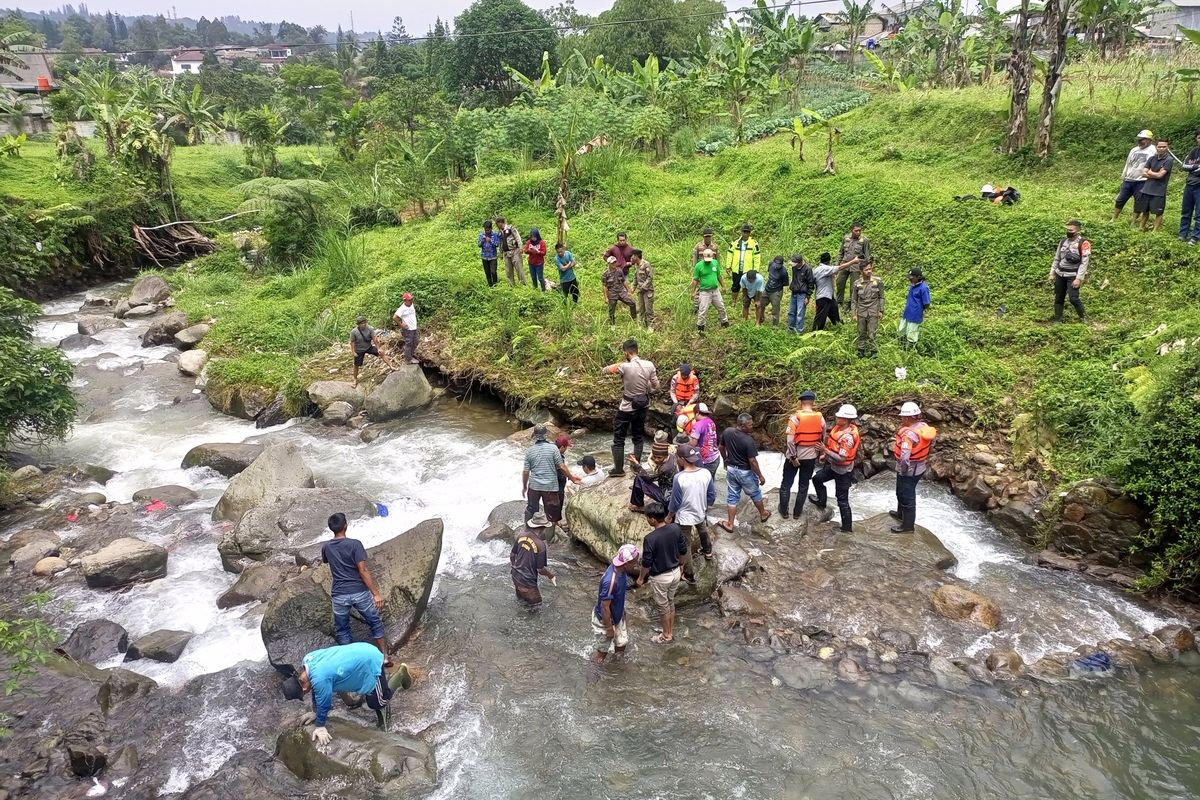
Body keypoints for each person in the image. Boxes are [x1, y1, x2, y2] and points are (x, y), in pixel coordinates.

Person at [281, 641, 401, 744]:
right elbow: (317, 691)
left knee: (378, 703)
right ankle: (377, 691)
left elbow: (324, 702)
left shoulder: (320, 678)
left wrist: (320, 726)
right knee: (370, 698)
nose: (306, 694)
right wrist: (315, 712)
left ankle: (400, 676)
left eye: (303, 694)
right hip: (358, 651)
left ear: (303, 689)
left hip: (370, 659)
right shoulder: (308, 660)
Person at [322, 512, 390, 664]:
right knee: (374, 622)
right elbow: (363, 570)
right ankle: (384, 658)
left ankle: (353, 662)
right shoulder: (355, 544)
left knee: (343, 630)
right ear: (345, 526)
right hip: (359, 592)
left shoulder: (326, 547)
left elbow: (326, 561)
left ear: (331, 528)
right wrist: (376, 594)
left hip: (339, 595)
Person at [602, 338, 659, 475]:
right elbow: (656, 386)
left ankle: (618, 469)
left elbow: (606, 370)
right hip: (642, 406)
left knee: (619, 438)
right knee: (638, 436)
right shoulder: (649, 365)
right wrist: (646, 387)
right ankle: (636, 467)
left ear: (627, 353)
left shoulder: (624, 366)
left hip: (627, 407)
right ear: (637, 350)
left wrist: (618, 364)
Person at [637, 503, 689, 644]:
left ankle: (666, 635)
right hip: (675, 573)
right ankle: (669, 631)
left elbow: (646, 563)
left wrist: (641, 578)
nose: (647, 520)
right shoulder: (675, 528)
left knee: (663, 607)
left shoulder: (650, 538)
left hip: (661, 577)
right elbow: (683, 550)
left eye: (647, 518)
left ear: (653, 519)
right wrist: (681, 565)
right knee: (670, 602)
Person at [809, 404, 861, 534]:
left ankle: (847, 528)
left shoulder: (847, 438)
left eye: (840, 416)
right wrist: (825, 455)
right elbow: (833, 447)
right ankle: (822, 501)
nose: (837, 417)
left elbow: (842, 458)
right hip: (833, 466)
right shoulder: (839, 429)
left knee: (842, 500)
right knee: (817, 479)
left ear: (846, 420)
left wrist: (825, 450)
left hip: (843, 471)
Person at [716, 413, 770, 533]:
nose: (752, 426)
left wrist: (725, 460)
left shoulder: (727, 432)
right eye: (750, 425)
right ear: (742, 425)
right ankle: (763, 513)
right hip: (744, 472)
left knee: (732, 496)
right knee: (755, 493)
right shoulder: (748, 440)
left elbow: (721, 447)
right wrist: (760, 475)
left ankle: (730, 524)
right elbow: (752, 461)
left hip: (731, 469)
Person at [890, 402, 937, 533]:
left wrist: (903, 471)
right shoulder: (924, 427)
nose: (902, 419)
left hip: (909, 469)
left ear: (907, 418)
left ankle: (908, 526)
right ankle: (900, 514)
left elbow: (905, 457)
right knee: (901, 491)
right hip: (920, 466)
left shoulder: (909, 434)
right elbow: (932, 444)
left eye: (903, 417)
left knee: (907, 496)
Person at [522, 424, 580, 526]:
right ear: (546, 435)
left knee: (531, 509)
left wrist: (524, 486)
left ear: (534, 436)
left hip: (534, 486)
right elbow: (562, 467)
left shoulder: (529, 451)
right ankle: (551, 537)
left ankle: (529, 531)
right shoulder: (553, 449)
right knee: (552, 513)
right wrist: (572, 478)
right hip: (550, 487)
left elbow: (526, 472)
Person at [591, 543, 641, 663]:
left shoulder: (622, 571)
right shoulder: (610, 581)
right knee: (602, 652)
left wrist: (621, 611)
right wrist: (609, 628)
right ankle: (593, 673)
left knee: (622, 643)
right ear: (626, 563)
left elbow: (618, 595)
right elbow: (605, 607)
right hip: (605, 619)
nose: (636, 564)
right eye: (634, 562)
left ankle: (617, 665)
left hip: (617, 615)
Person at [780, 390, 825, 520]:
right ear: (813, 402)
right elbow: (822, 438)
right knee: (803, 485)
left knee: (786, 484)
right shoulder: (820, 419)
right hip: (810, 458)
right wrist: (821, 452)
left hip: (794, 458)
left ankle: (784, 512)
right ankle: (797, 513)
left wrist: (793, 457)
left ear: (801, 402)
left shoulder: (795, 418)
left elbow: (790, 441)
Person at [668, 444, 715, 560]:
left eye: (677, 457)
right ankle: (708, 552)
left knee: (686, 544)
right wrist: (704, 506)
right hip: (700, 511)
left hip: (685, 516)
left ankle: (688, 573)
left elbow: (676, 501)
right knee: (702, 529)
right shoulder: (706, 473)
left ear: (682, 459)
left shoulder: (679, 478)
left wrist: (669, 516)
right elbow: (711, 496)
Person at [1049, 219, 1090, 323]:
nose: (1068, 232)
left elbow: (1084, 263)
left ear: (1078, 231)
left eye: (1071, 230)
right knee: (1059, 298)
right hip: (1060, 273)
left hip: (1073, 275)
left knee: (1073, 298)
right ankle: (1058, 319)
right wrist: (1052, 272)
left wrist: (1079, 278)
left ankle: (1084, 318)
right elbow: (1057, 258)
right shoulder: (1063, 241)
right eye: (1067, 230)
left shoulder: (1084, 243)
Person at [510, 514, 556, 606]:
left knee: (520, 603)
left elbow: (512, 555)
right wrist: (551, 575)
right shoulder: (540, 545)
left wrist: (515, 567)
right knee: (536, 607)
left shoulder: (521, 535)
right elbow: (540, 569)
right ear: (542, 527)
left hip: (515, 576)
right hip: (528, 582)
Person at [1112, 130, 1156, 222]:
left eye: (1142, 140)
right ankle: (1114, 218)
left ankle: (1133, 221)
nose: (1140, 142)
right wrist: (1123, 176)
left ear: (1149, 140)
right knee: (1120, 199)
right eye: (1139, 140)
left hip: (1143, 181)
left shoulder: (1153, 150)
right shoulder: (1134, 150)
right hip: (1129, 179)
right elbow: (1128, 164)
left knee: (1138, 202)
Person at [627, 432, 678, 511]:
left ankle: (638, 505)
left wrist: (637, 465)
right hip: (675, 494)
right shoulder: (672, 456)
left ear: (665, 455)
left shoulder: (665, 468)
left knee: (639, 478)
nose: (656, 460)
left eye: (659, 458)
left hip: (669, 499)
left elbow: (648, 479)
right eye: (654, 457)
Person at [1134, 139, 1172, 232]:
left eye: (1164, 147)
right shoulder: (1152, 158)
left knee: (1158, 212)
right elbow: (1143, 173)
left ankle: (1154, 231)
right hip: (1147, 188)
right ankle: (1141, 227)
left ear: (1167, 147)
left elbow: (1160, 175)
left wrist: (1150, 172)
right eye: (1159, 146)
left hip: (1159, 191)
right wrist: (1154, 174)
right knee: (1145, 210)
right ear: (1156, 147)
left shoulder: (1169, 160)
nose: (1162, 149)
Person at [349, 315, 396, 389]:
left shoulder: (370, 329)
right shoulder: (354, 332)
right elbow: (352, 343)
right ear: (358, 324)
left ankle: (391, 366)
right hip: (359, 350)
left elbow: (375, 339)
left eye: (364, 322)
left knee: (382, 353)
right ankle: (354, 379)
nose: (363, 324)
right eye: (361, 323)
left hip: (368, 347)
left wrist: (378, 348)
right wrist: (353, 352)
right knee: (356, 365)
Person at [850, 261, 884, 359]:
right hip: (861, 311)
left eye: (870, 269)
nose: (869, 271)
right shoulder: (857, 284)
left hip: (873, 311)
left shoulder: (878, 282)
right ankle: (861, 351)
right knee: (861, 332)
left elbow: (881, 297)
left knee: (872, 333)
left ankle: (873, 352)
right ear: (861, 271)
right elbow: (854, 300)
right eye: (866, 270)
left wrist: (881, 310)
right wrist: (853, 313)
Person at [692, 248, 729, 334]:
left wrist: (723, 286)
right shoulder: (698, 266)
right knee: (703, 309)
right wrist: (693, 292)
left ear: (712, 256)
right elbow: (695, 280)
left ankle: (724, 321)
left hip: (715, 290)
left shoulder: (715, 263)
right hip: (704, 292)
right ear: (703, 257)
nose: (708, 261)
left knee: (721, 306)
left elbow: (719, 275)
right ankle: (700, 327)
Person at [836, 223, 871, 313]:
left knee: (854, 287)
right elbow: (841, 253)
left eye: (860, 230)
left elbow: (867, 256)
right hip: (844, 264)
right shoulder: (846, 238)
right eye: (856, 230)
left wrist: (866, 268)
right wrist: (837, 265)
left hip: (856, 267)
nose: (858, 232)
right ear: (852, 230)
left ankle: (851, 306)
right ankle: (839, 303)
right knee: (840, 283)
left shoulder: (864, 240)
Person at [811, 253, 845, 331]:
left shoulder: (817, 269)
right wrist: (853, 261)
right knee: (820, 317)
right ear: (829, 261)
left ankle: (839, 327)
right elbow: (839, 268)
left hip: (828, 296)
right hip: (824, 297)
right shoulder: (824, 269)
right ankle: (815, 332)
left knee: (834, 313)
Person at [899, 268, 931, 348]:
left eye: (912, 278)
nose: (910, 279)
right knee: (901, 330)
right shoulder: (913, 286)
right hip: (907, 313)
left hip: (915, 315)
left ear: (918, 277)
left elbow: (926, 303)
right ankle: (901, 347)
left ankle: (910, 350)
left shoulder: (923, 288)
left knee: (912, 334)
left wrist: (919, 310)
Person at [1177, 130, 1200, 244]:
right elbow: (1184, 166)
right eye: (1199, 137)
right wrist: (1196, 166)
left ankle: (1195, 237)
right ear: (1196, 139)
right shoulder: (1193, 151)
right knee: (1186, 211)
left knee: (1199, 214)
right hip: (1190, 184)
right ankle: (1183, 234)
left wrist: (1192, 167)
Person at [727, 223, 759, 301]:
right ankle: (734, 301)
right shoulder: (735, 243)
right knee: (735, 286)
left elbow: (757, 257)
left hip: (747, 270)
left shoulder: (754, 244)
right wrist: (728, 266)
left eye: (747, 232)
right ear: (741, 232)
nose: (745, 234)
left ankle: (746, 300)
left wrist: (756, 270)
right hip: (736, 269)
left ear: (749, 233)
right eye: (744, 232)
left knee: (748, 286)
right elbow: (729, 255)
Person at [690, 402, 720, 479]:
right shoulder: (711, 421)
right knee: (710, 483)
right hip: (716, 457)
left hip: (706, 460)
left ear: (697, 413)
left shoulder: (698, 425)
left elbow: (693, 444)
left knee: (703, 484)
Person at [602, 256, 637, 324]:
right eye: (612, 263)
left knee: (632, 303)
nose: (614, 264)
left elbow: (624, 281)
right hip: (612, 294)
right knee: (611, 310)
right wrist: (606, 297)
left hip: (621, 292)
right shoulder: (605, 274)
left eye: (615, 262)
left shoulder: (619, 270)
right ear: (608, 263)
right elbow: (604, 286)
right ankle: (612, 324)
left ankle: (634, 319)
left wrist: (628, 291)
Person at [787, 253, 815, 334]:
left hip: (802, 294)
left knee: (800, 313)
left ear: (800, 262)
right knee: (791, 312)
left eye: (795, 264)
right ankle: (791, 329)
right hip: (794, 292)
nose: (793, 265)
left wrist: (808, 296)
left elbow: (811, 284)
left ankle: (799, 331)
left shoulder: (807, 269)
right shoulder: (794, 268)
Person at [496, 216, 526, 286]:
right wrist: (500, 253)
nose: (498, 225)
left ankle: (523, 284)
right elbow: (500, 244)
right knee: (508, 270)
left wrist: (521, 247)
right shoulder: (499, 232)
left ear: (501, 222)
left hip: (515, 251)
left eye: (498, 223)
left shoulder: (511, 228)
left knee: (519, 269)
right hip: (506, 253)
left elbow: (517, 237)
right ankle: (511, 285)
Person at [392, 293, 419, 364]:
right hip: (408, 330)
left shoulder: (411, 304)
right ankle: (408, 359)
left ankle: (410, 356)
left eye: (412, 299)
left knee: (415, 342)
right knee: (409, 344)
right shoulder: (402, 308)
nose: (411, 301)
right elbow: (394, 317)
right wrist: (401, 325)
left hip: (414, 328)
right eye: (409, 300)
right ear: (405, 300)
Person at [763, 255, 789, 326]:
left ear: (782, 264)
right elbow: (769, 272)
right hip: (767, 288)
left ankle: (775, 325)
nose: (777, 266)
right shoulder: (771, 264)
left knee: (775, 309)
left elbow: (786, 283)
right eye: (776, 264)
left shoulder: (784, 272)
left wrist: (777, 286)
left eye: (779, 264)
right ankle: (761, 319)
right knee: (761, 304)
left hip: (776, 291)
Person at [631, 249, 654, 328]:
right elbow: (635, 277)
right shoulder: (636, 265)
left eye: (633, 256)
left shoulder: (646, 264)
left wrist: (643, 287)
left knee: (648, 310)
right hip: (640, 291)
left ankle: (650, 326)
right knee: (641, 309)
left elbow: (650, 278)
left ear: (637, 256)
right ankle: (642, 325)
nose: (632, 257)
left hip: (647, 291)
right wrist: (633, 287)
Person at [478, 220, 501, 287]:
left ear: (491, 228)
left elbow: (497, 244)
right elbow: (479, 245)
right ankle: (490, 286)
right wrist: (482, 241)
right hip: (484, 257)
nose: (487, 231)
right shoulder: (481, 234)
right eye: (485, 230)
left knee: (493, 272)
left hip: (493, 257)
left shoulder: (495, 234)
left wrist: (490, 240)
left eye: (488, 230)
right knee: (487, 272)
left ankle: (495, 285)